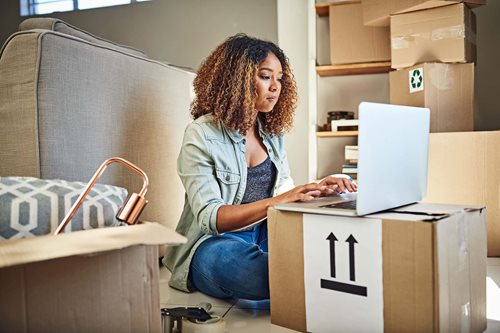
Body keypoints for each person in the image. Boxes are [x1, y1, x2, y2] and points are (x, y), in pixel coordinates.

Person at [163, 34, 356, 300]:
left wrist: (318, 188)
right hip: (213, 244)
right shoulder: (201, 134)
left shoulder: (272, 132)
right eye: (266, 76)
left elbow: (285, 190)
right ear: (236, 78)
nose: (275, 87)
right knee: (260, 274)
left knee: (326, 252)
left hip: (266, 231)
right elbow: (211, 218)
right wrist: (281, 199)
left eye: (279, 78)